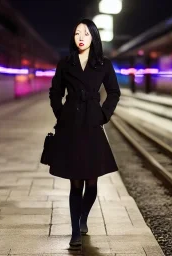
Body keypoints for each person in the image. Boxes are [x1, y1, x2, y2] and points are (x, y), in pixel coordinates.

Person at [47, 18, 121, 248]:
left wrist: (103, 115)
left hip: (92, 124)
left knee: (91, 183)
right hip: (71, 126)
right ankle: (74, 232)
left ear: (93, 38)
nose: (81, 37)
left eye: (86, 34)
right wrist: (62, 113)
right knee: (75, 183)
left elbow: (114, 92)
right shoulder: (65, 63)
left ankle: (83, 218)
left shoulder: (103, 64)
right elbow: (55, 91)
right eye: (77, 33)